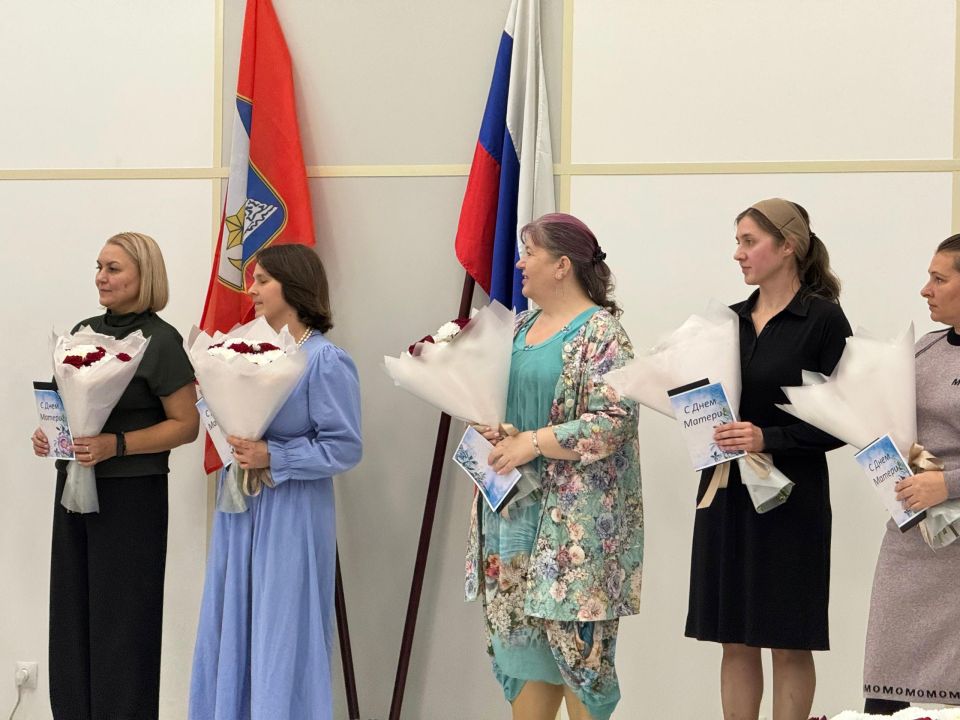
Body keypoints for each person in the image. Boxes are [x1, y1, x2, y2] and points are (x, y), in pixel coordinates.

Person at [469, 213, 642, 720]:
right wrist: (501, 432)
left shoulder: (603, 333)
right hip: (512, 522)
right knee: (522, 661)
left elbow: (614, 422)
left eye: (530, 253)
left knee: (579, 664)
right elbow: (519, 414)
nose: (519, 264)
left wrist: (533, 443)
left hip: (574, 534)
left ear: (562, 265)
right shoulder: (519, 328)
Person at [685, 199, 852, 720]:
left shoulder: (823, 320)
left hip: (790, 498)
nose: (738, 253)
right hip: (725, 490)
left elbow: (846, 420)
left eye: (749, 241)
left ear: (788, 247)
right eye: (737, 241)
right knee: (733, 638)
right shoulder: (726, 323)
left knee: (787, 639)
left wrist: (769, 437)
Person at [189, 244, 362, 720]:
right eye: (253, 279)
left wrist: (276, 455)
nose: (252, 290)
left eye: (263, 280)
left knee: (282, 626)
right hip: (240, 509)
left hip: (292, 512)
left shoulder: (325, 360)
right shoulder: (248, 353)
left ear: (295, 286)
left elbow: (345, 447)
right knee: (233, 617)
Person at [31, 232, 200, 720]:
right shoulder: (82, 332)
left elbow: (186, 425)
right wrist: (50, 436)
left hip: (132, 497)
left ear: (145, 276)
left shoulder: (161, 342)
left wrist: (117, 444)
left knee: (123, 622)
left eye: (113, 269)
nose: (101, 278)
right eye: (99, 267)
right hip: (73, 488)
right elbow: (66, 408)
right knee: (71, 613)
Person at [860, 235, 960, 714]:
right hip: (911, 539)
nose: (926, 289)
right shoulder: (924, 349)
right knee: (887, 692)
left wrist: (949, 483)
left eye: (939, 279)